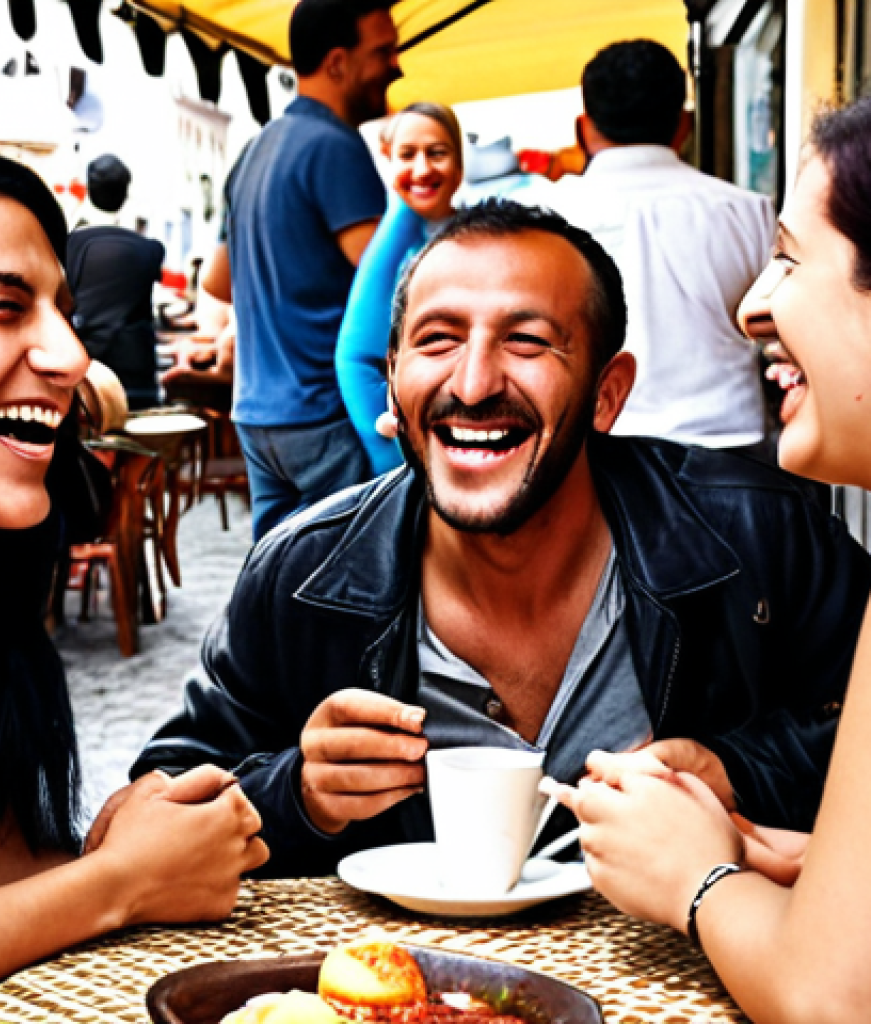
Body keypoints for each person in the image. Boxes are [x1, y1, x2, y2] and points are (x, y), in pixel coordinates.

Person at [128, 199, 871, 878]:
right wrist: (296, 794)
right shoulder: (304, 573)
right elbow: (152, 809)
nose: (475, 382)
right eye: (438, 340)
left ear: (607, 393)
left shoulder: (757, 536)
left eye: (527, 341)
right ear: (392, 382)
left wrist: (734, 769)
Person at [0, 135, 267, 1024]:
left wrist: (134, 841)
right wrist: (114, 884)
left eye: (63, 312)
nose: (72, 356)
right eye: (4, 308)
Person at [542, 96, 871, 1024]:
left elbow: (831, 999)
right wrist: (816, 865)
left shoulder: (776, 539)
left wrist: (696, 878)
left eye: (791, 259)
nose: (752, 303)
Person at [201, 0, 401, 540]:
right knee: (352, 578)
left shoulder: (254, 150)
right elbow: (397, 284)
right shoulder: (335, 147)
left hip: (257, 414)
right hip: (325, 410)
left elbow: (216, 282)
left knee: (280, 580)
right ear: (338, 62)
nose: (397, 66)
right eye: (383, 51)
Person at [548, 40, 775, 453]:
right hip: (733, 456)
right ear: (684, 125)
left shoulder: (549, 218)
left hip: (596, 454)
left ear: (583, 128)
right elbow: (778, 334)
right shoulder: (747, 211)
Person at [336, 101, 465, 475]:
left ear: (458, 163)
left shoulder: (486, 237)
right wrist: (390, 453)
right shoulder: (390, 245)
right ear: (388, 159)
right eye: (408, 155)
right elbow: (356, 358)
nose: (422, 168)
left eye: (437, 153)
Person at [67, 154, 165, 410]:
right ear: (125, 191)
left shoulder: (69, 245)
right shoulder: (150, 250)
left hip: (86, 373)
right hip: (137, 374)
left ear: (89, 188)